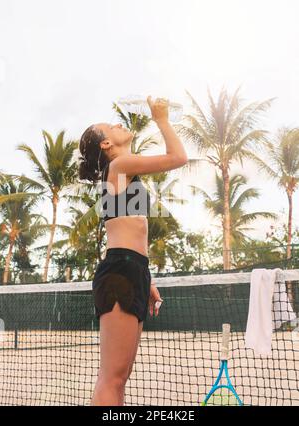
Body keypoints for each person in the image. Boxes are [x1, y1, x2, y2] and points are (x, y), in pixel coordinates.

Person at [78, 96, 188, 406]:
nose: (117, 123)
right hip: (120, 272)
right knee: (111, 378)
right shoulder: (120, 165)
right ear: (106, 145)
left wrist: (146, 278)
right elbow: (178, 157)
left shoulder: (127, 177)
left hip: (132, 269)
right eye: (109, 126)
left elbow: (129, 231)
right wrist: (162, 119)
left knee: (120, 377)